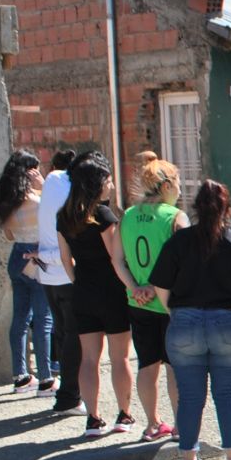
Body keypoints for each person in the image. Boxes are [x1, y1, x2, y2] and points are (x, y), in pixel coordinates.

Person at [150, 179, 231, 460]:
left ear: (196, 209)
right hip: (230, 326)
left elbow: (160, 286)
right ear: (228, 210)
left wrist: (176, 313)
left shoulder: (177, 243)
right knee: (227, 391)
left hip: (185, 325)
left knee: (190, 395)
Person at [56, 151, 135, 438]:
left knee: (89, 360)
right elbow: (117, 259)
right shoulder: (103, 215)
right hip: (112, 291)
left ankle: (93, 418)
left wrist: (79, 281)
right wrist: (132, 287)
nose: (111, 185)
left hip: (83, 292)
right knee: (120, 358)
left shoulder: (64, 216)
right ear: (96, 183)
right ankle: (124, 414)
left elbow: (66, 260)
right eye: (108, 180)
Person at [121, 155, 187, 442]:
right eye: (179, 183)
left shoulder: (128, 215)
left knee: (147, 365)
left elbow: (118, 259)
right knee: (175, 367)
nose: (181, 189)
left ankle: (152, 424)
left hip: (138, 302)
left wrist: (137, 287)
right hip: (170, 303)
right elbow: (187, 260)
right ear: (167, 185)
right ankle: (181, 426)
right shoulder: (174, 217)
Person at [0, 150, 55, 395]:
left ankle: (21, 376)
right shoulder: (38, 200)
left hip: (17, 256)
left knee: (20, 318)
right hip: (37, 257)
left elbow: (9, 235)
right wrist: (45, 185)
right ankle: (46, 378)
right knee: (43, 319)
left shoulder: (7, 201)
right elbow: (58, 214)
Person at [35, 149, 84, 414]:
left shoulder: (52, 179)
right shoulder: (72, 188)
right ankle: (70, 397)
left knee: (63, 333)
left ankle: (68, 394)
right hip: (66, 271)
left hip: (47, 273)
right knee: (73, 338)